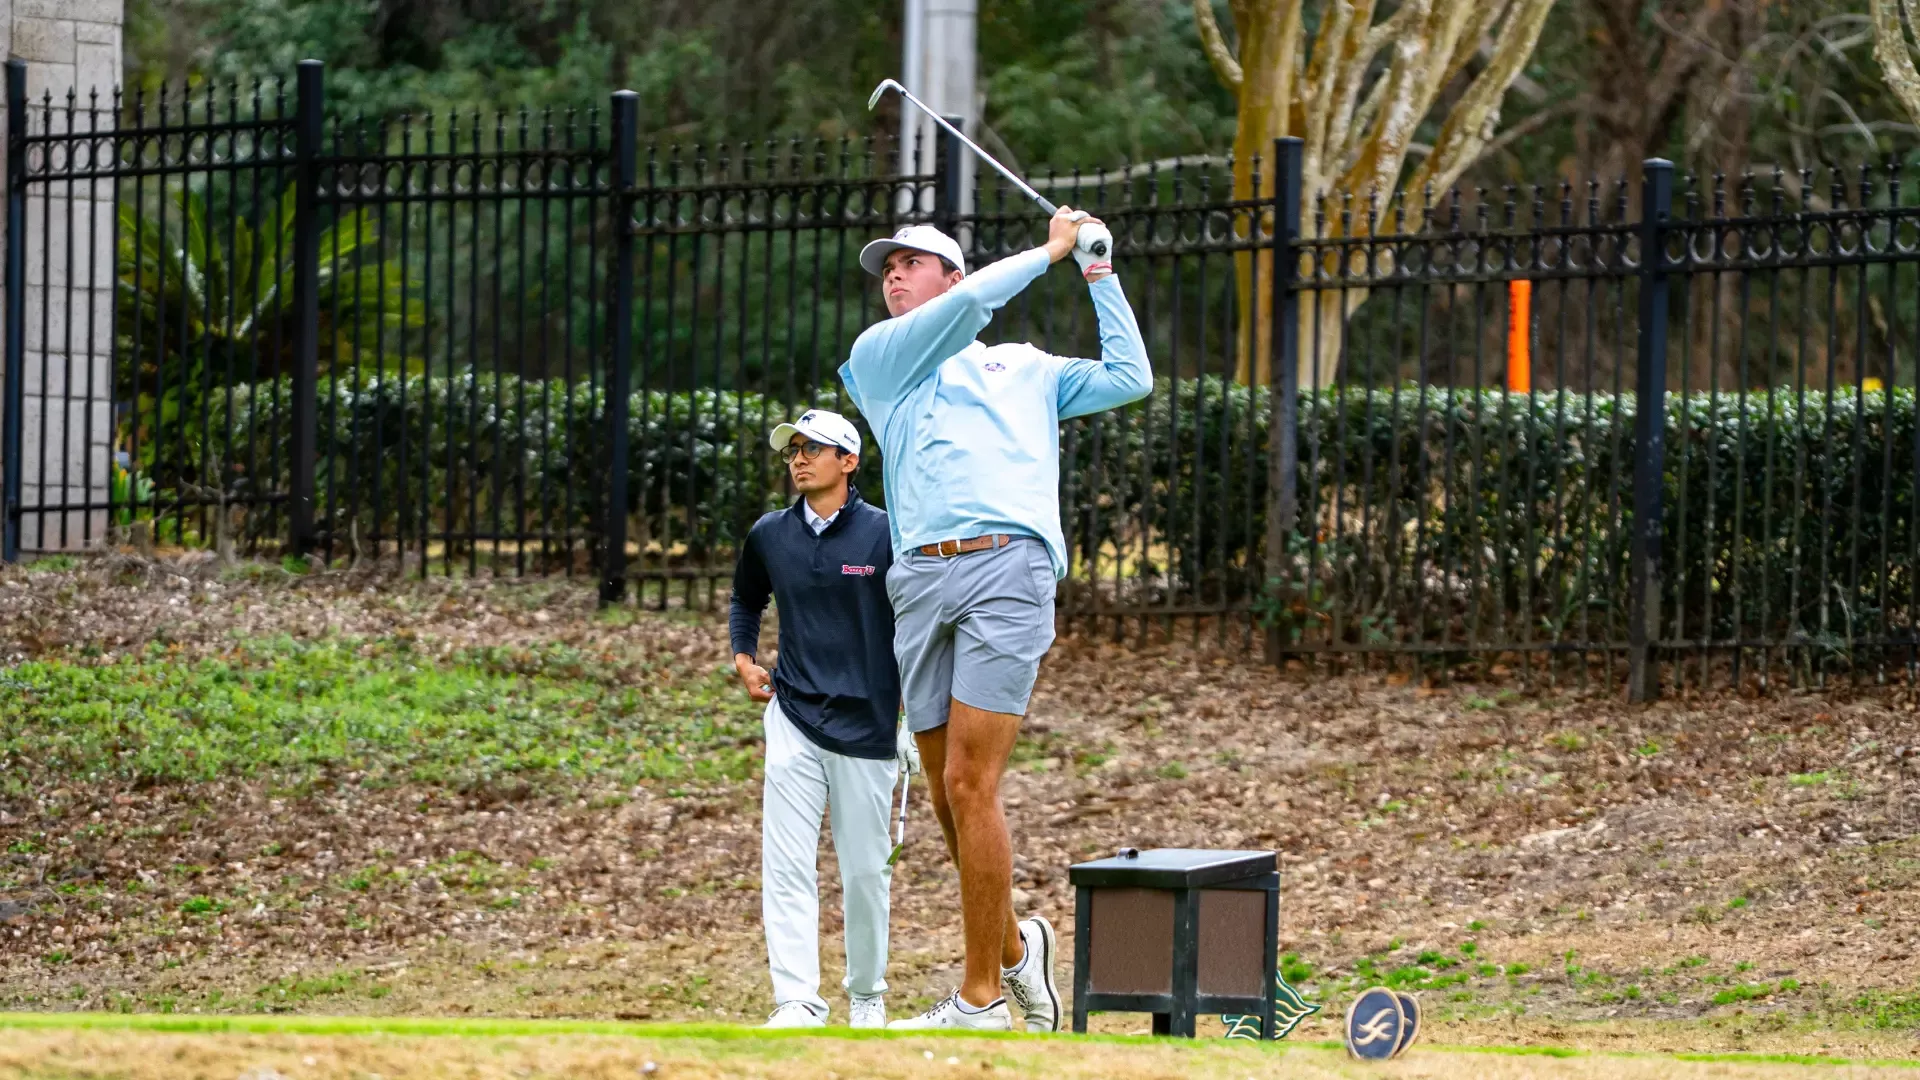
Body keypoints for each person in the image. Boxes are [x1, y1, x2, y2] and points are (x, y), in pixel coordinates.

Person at [839, 211, 1150, 1031]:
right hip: (919, 578)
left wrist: (1098, 271)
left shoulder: (1027, 367)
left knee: (971, 783)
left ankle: (981, 997)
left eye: (912, 263)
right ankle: (1015, 949)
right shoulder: (880, 358)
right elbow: (971, 305)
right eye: (887, 267)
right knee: (949, 798)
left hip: (1006, 565)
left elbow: (1131, 376)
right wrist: (1049, 251)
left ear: (950, 273)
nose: (893, 275)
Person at [728, 408, 921, 1029]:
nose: (799, 459)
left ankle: (866, 994)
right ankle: (797, 1000)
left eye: (814, 448)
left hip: (868, 726)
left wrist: (915, 715)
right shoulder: (770, 534)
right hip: (792, 715)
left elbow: (919, 618)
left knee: (864, 874)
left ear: (849, 461)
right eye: (794, 450)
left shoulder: (887, 534)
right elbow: (747, 596)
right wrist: (744, 657)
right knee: (785, 865)